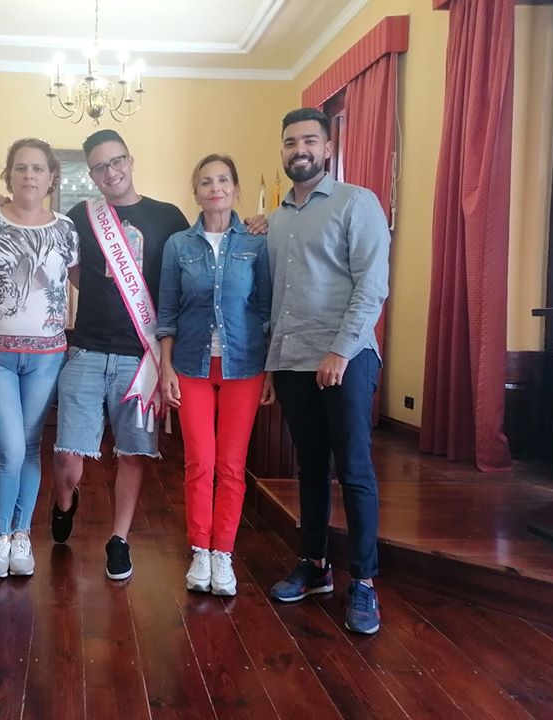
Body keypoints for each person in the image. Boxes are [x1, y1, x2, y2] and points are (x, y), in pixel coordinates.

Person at [265, 108, 390, 635]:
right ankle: (315, 565)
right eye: (291, 141)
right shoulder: (275, 221)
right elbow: (276, 297)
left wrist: (339, 351)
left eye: (310, 140)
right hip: (292, 360)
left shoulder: (357, 202)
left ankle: (364, 581)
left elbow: (372, 285)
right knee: (311, 467)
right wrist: (272, 364)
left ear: (328, 148)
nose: (300, 149)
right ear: (283, 149)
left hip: (346, 359)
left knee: (354, 469)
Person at [50, 129, 190, 580]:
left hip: (140, 358)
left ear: (130, 160)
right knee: (68, 455)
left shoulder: (168, 216)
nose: (110, 172)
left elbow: (191, 265)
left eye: (116, 161)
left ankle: (119, 540)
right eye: (100, 167)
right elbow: (63, 260)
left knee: (133, 453)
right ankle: (64, 500)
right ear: (91, 175)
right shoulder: (81, 215)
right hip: (87, 351)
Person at [157, 154, 274, 597]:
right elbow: (168, 312)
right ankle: (199, 550)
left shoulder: (257, 243)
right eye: (206, 181)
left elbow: (266, 311)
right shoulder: (178, 246)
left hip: (245, 366)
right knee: (200, 463)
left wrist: (271, 372)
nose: (215, 188)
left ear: (235, 189)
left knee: (231, 465)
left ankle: (223, 551)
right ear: (196, 192)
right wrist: (166, 367)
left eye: (223, 180)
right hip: (191, 366)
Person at [0, 138, 78, 579]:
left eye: (38, 168)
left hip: (47, 358)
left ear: (51, 178)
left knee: (31, 447)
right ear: (8, 174)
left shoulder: (66, 229)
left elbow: (85, 283)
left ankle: (21, 535)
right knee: (9, 449)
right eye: (21, 167)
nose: (29, 175)